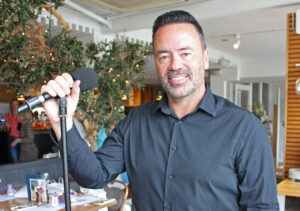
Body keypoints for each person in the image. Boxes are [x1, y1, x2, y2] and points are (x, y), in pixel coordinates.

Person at [41, 10, 279, 210]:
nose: (175, 65)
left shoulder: (245, 129)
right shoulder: (135, 123)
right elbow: (94, 176)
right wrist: (62, 119)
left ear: (205, 58)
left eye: (185, 53)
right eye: (164, 56)